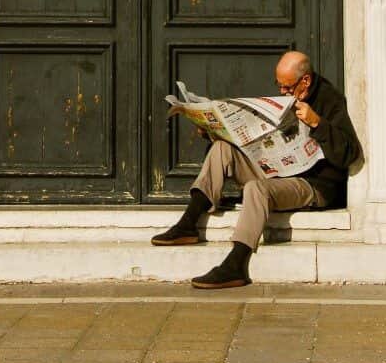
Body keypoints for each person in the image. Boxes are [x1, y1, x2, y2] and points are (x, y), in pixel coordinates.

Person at [151, 50, 361, 289]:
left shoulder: (330, 101)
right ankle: (188, 224)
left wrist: (316, 123)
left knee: (256, 189)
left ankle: (236, 263)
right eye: (279, 85)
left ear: (306, 81)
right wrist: (214, 131)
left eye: (287, 87)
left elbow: (349, 155)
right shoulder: (288, 98)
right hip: (278, 170)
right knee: (221, 148)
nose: (283, 92)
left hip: (313, 184)